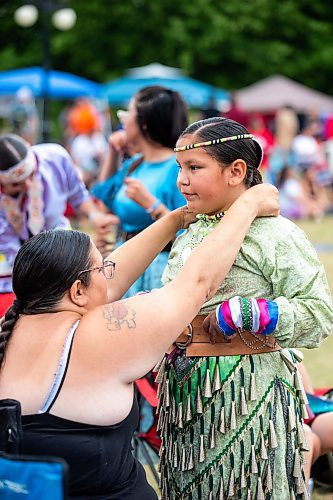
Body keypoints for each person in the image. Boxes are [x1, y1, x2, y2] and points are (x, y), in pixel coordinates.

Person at [0, 184, 279, 499]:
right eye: (100, 267)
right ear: (78, 291)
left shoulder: (14, 327)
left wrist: (176, 219)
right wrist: (248, 205)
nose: (108, 273)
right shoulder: (95, 336)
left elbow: (112, 280)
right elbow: (197, 284)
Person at [157, 117, 333, 499]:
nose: (181, 181)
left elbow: (319, 312)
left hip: (250, 394)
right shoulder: (195, 230)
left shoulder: (276, 233)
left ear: (236, 171)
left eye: (194, 168)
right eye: (179, 169)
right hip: (185, 396)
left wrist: (257, 313)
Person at [0, 134, 118, 317]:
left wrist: (95, 217)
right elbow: (14, 255)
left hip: (61, 243)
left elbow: (79, 196)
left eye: (30, 174)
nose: (28, 183)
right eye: (16, 184)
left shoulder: (55, 158)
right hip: (17, 266)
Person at [91, 85, 188, 296]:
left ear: (144, 123)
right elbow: (105, 196)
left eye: (128, 113)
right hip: (124, 266)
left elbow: (189, 232)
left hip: (157, 270)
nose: (123, 120)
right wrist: (113, 152)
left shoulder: (177, 166)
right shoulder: (135, 164)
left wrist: (152, 205)